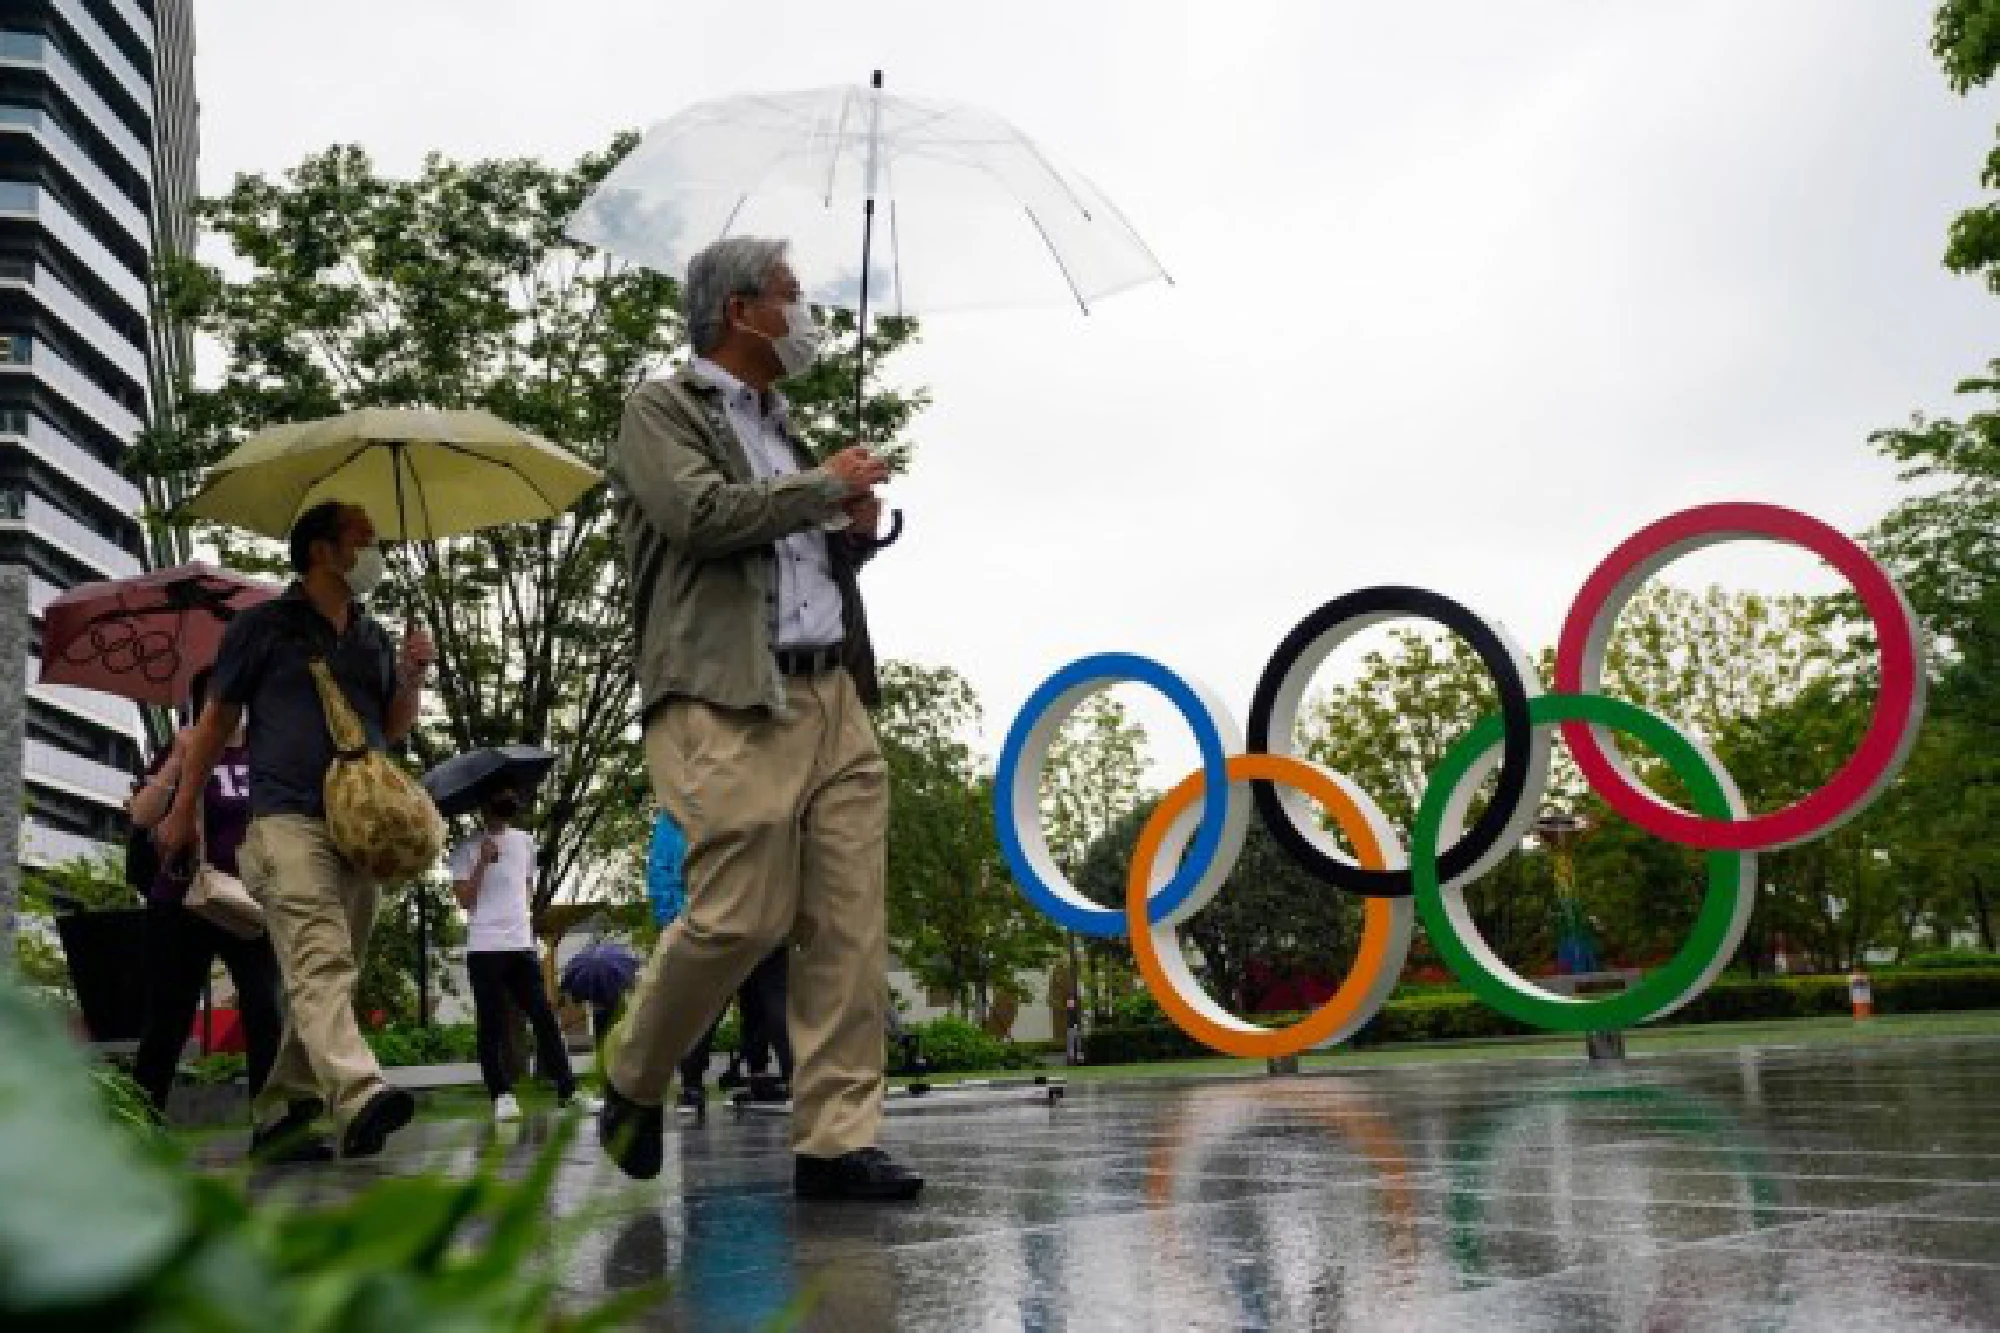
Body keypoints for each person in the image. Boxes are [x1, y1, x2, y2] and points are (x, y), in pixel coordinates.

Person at [598, 236, 921, 1200]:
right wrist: (823, 486)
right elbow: (699, 517)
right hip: (728, 695)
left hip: (836, 696)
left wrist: (851, 534)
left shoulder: (784, 425)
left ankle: (835, 1140)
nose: (805, 309)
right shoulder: (661, 410)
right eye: (791, 293)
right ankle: (632, 1072)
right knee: (741, 915)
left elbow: (792, 556)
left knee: (848, 925)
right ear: (741, 310)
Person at [156, 500, 433, 1161]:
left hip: (361, 830)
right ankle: (359, 1092)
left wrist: (414, 675)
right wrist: (180, 811)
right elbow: (218, 722)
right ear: (320, 550)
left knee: (333, 971)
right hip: (284, 819)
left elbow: (390, 729)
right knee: (320, 958)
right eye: (362, 541)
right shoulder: (261, 628)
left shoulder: (371, 635)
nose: (374, 554)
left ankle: (284, 1109)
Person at [127, 667, 286, 1138]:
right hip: (181, 900)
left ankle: (271, 1126)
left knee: (265, 1009)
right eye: (215, 696)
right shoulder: (184, 750)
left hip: (246, 904)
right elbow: (141, 816)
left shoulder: (264, 756)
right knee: (167, 1020)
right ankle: (142, 1124)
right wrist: (177, 759)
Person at [447, 785, 600, 1121]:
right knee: (491, 1023)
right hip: (485, 947)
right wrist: (482, 863)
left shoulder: (525, 842)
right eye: (498, 800)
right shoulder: (465, 849)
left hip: (521, 945)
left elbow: (525, 889)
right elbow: (465, 901)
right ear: (483, 806)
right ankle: (501, 1094)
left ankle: (568, 1090)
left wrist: (527, 928)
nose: (507, 803)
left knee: (544, 1018)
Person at [646, 810, 792, 1121]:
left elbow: (661, 868)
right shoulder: (752, 800)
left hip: (723, 921)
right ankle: (774, 1076)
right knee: (766, 1003)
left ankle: (707, 1083)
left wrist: (671, 919)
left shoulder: (679, 812)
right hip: (744, 919)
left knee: (723, 1007)